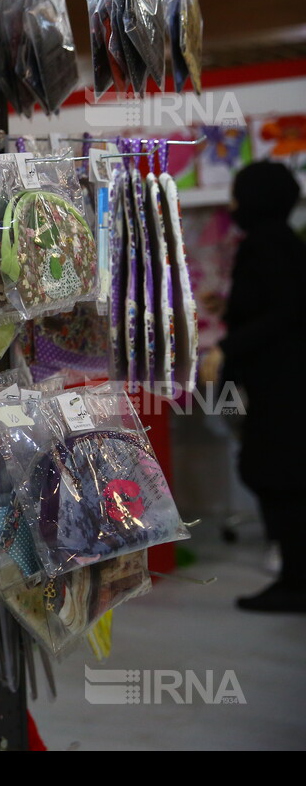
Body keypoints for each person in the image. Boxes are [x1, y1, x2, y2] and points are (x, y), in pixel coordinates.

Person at [200, 160, 306, 613]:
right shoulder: (285, 244)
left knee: (278, 476)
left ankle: (296, 582)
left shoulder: (265, 246)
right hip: (286, 385)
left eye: (239, 196)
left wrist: (228, 347)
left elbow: (282, 314)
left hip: (283, 390)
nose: (233, 205)